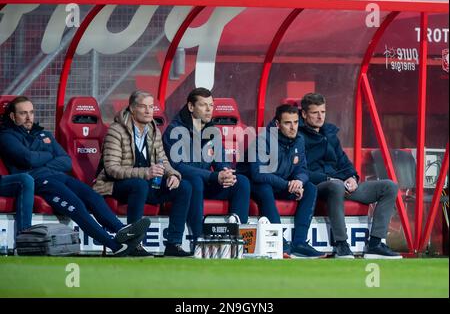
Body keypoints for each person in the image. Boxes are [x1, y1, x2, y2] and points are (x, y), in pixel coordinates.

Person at [0, 96, 149, 257]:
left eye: (31, 112)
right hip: (40, 181)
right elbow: (27, 158)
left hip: (59, 176)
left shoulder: (44, 134)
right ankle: (114, 246)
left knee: (93, 196)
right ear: (13, 116)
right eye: (23, 113)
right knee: (76, 205)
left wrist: (41, 160)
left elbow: (66, 162)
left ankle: (121, 230)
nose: (29, 117)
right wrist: (48, 155)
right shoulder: (7, 136)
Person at [298, 93, 402, 259]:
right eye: (315, 112)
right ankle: (341, 244)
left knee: (389, 186)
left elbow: (345, 163)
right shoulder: (298, 136)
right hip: (320, 185)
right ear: (304, 114)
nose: (320, 116)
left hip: (341, 183)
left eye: (323, 112)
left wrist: (352, 178)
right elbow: (300, 171)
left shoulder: (330, 135)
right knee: (336, 186)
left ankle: (375, 244)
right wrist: (330, 180)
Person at [94, 90, 192, 257]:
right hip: (116, 185)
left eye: (151, 107)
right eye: (143, 107)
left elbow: (163, 160)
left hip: (146, 185)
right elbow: (111, 168)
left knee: (184, 187)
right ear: (132, 109)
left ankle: (174, 244)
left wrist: (172, 175)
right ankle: (133, 243)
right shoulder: (116, 131)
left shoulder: (154, 131)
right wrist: (145, 172)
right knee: (139, 185)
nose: (148, 111)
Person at [163, 87, 250, 245]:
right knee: (194, 181)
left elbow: (222, 160)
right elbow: (178, 166)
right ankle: (198, 239)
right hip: (184, 184)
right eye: (203, 105)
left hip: (207, 182)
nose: (209, 109)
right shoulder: (175, 130)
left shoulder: (212, 131)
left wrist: (225, 172)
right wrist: (213, 176)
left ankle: (237, 236)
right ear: (191, 107)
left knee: (241, 182)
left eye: (211, 105)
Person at [238, 104, 326, 258]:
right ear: (278, 124)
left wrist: (298, 181)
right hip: (254, 185)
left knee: (310, 188)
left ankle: (299, 242)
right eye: (288, 123)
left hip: (280, 184)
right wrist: (288, 185)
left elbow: (303, 170)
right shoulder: (263, 140)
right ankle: (279, 241)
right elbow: (258, 174)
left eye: (296, 122)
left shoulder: (299, 140)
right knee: (264, 188)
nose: (293, 127)